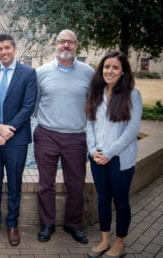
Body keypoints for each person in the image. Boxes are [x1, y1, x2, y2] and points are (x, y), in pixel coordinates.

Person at [34, 29, 94, 244]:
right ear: (55, 45)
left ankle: (73, 224)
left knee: (76, 185)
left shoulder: (88, 72)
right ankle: (47, 224)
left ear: (77, 45)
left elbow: (93, 104)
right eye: (61, 42)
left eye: (70, 42)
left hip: (76, 137)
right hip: (47, 135)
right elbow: (34, 104)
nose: (65, 45)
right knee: (45, 184)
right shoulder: (41, 72)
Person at [0, 34, 37, 246]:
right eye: (0, 49)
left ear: (14, 48)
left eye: (7, 48)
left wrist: (9, 131)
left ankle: (12, 224)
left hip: (17, 140)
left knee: (14, 183)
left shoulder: (28, 73)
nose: (3, 52)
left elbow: (28, 106)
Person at [86, 51, 142, 258]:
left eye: (115, 67)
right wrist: (93, 151)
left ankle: (119, 243)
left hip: (119, 159)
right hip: (97, 158)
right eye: (106, 67)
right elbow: (89, 124)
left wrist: (108, 153)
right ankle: (103, 241)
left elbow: (132, 130)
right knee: (102, 199)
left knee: (120, 201)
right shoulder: (96, 93)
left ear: (123, 71)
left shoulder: (132, 95)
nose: (109, 71)